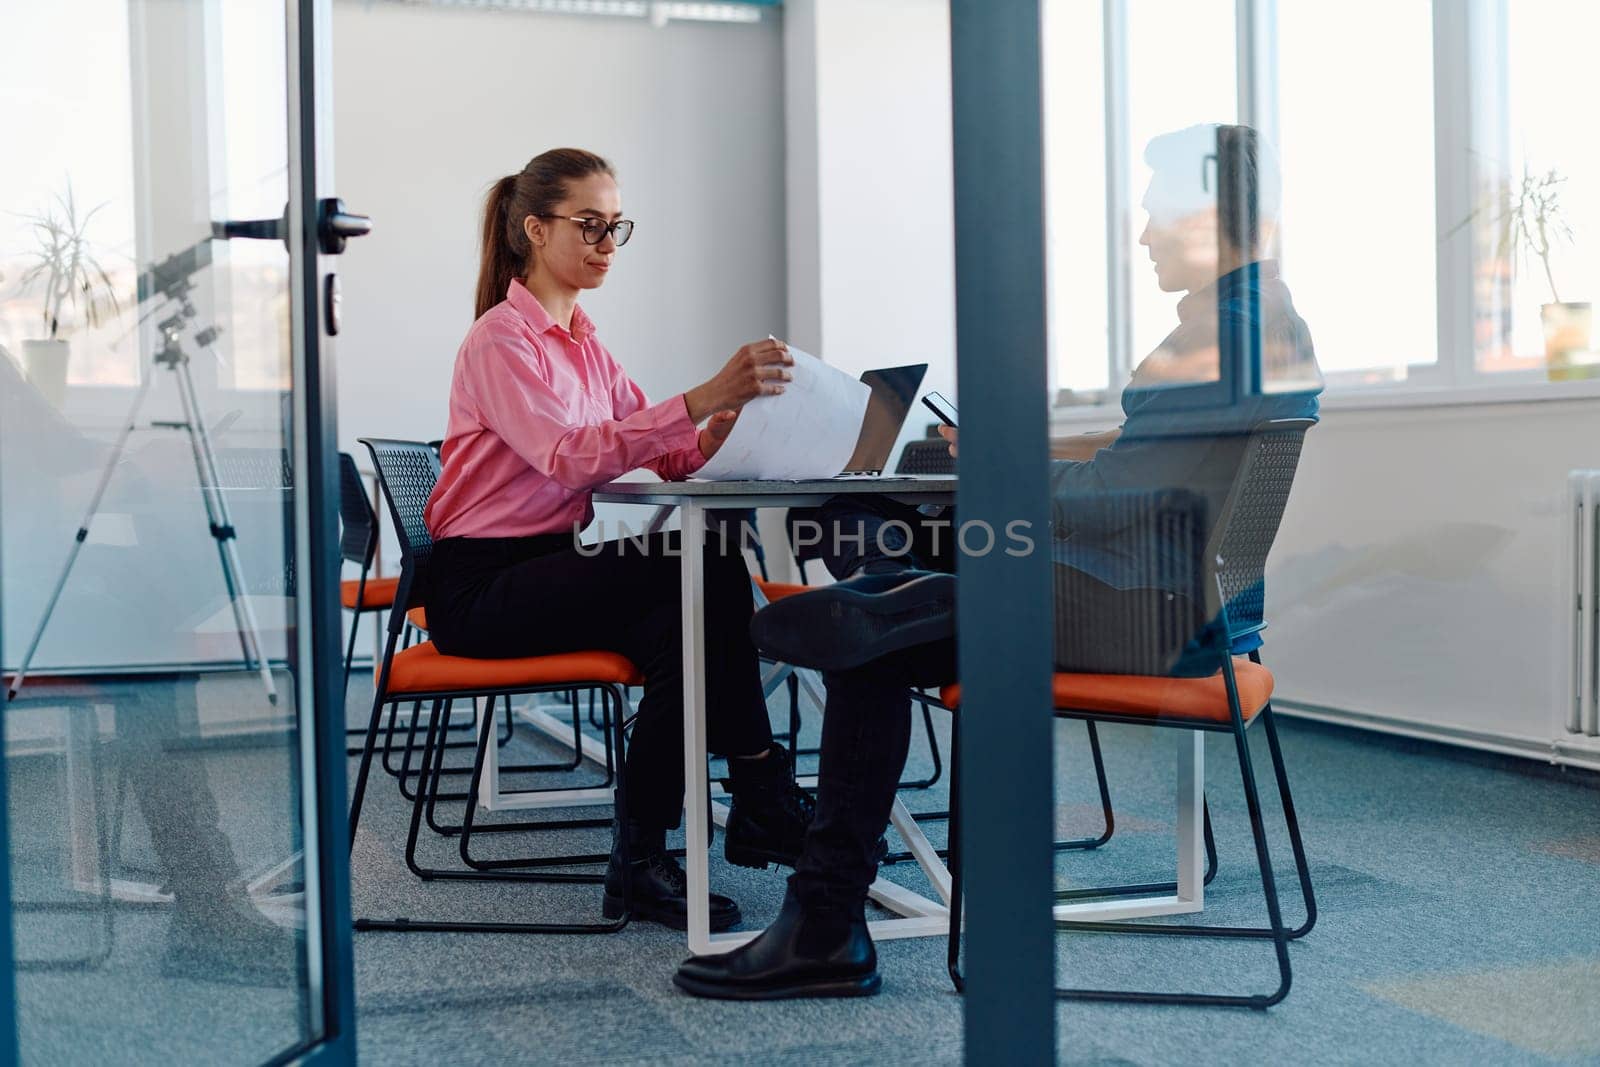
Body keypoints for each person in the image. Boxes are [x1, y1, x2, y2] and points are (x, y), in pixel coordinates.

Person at [673, 124, 1323, 998]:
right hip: (1177, 598)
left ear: (1208, 214)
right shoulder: (1260, 322)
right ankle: (881, 599)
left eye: (1155, 216)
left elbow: (1113, 495)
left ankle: (827, 919)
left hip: (1144, 612)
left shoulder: (1220, 338)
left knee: (869, 612)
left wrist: (993, 469)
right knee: (877, 552)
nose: (1142, 235)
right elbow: (1144, 466)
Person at [422, 148, 814, 931]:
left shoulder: (587, 345)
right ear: (535, 228)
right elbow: (569, 455)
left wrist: (717, 435)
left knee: (688, 625)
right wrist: (701, 394)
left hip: (544, 568)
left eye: (616, 227)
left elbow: (661, 450)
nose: (606, 244)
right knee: (701, 558)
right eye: (590, 225)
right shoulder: (502, 342)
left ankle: (639, 856)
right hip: (478, 589)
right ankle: (760, 783)